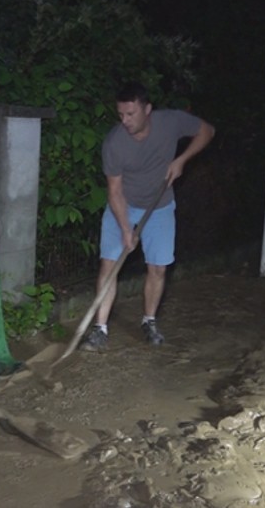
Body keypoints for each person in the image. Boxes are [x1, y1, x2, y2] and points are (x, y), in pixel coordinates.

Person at [81, 82, 215, 351]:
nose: (125, 121)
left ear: (148, 110)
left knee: (158, 267)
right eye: (121, 115)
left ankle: (149, 321)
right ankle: (100, 328)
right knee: (110, 265)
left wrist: (182, 160)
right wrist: (125, 229)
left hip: (160, 205)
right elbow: (115, 191)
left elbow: (207, 131)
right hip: (124, 205)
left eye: (131, 114)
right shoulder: (114, 143)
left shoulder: (170, 122)